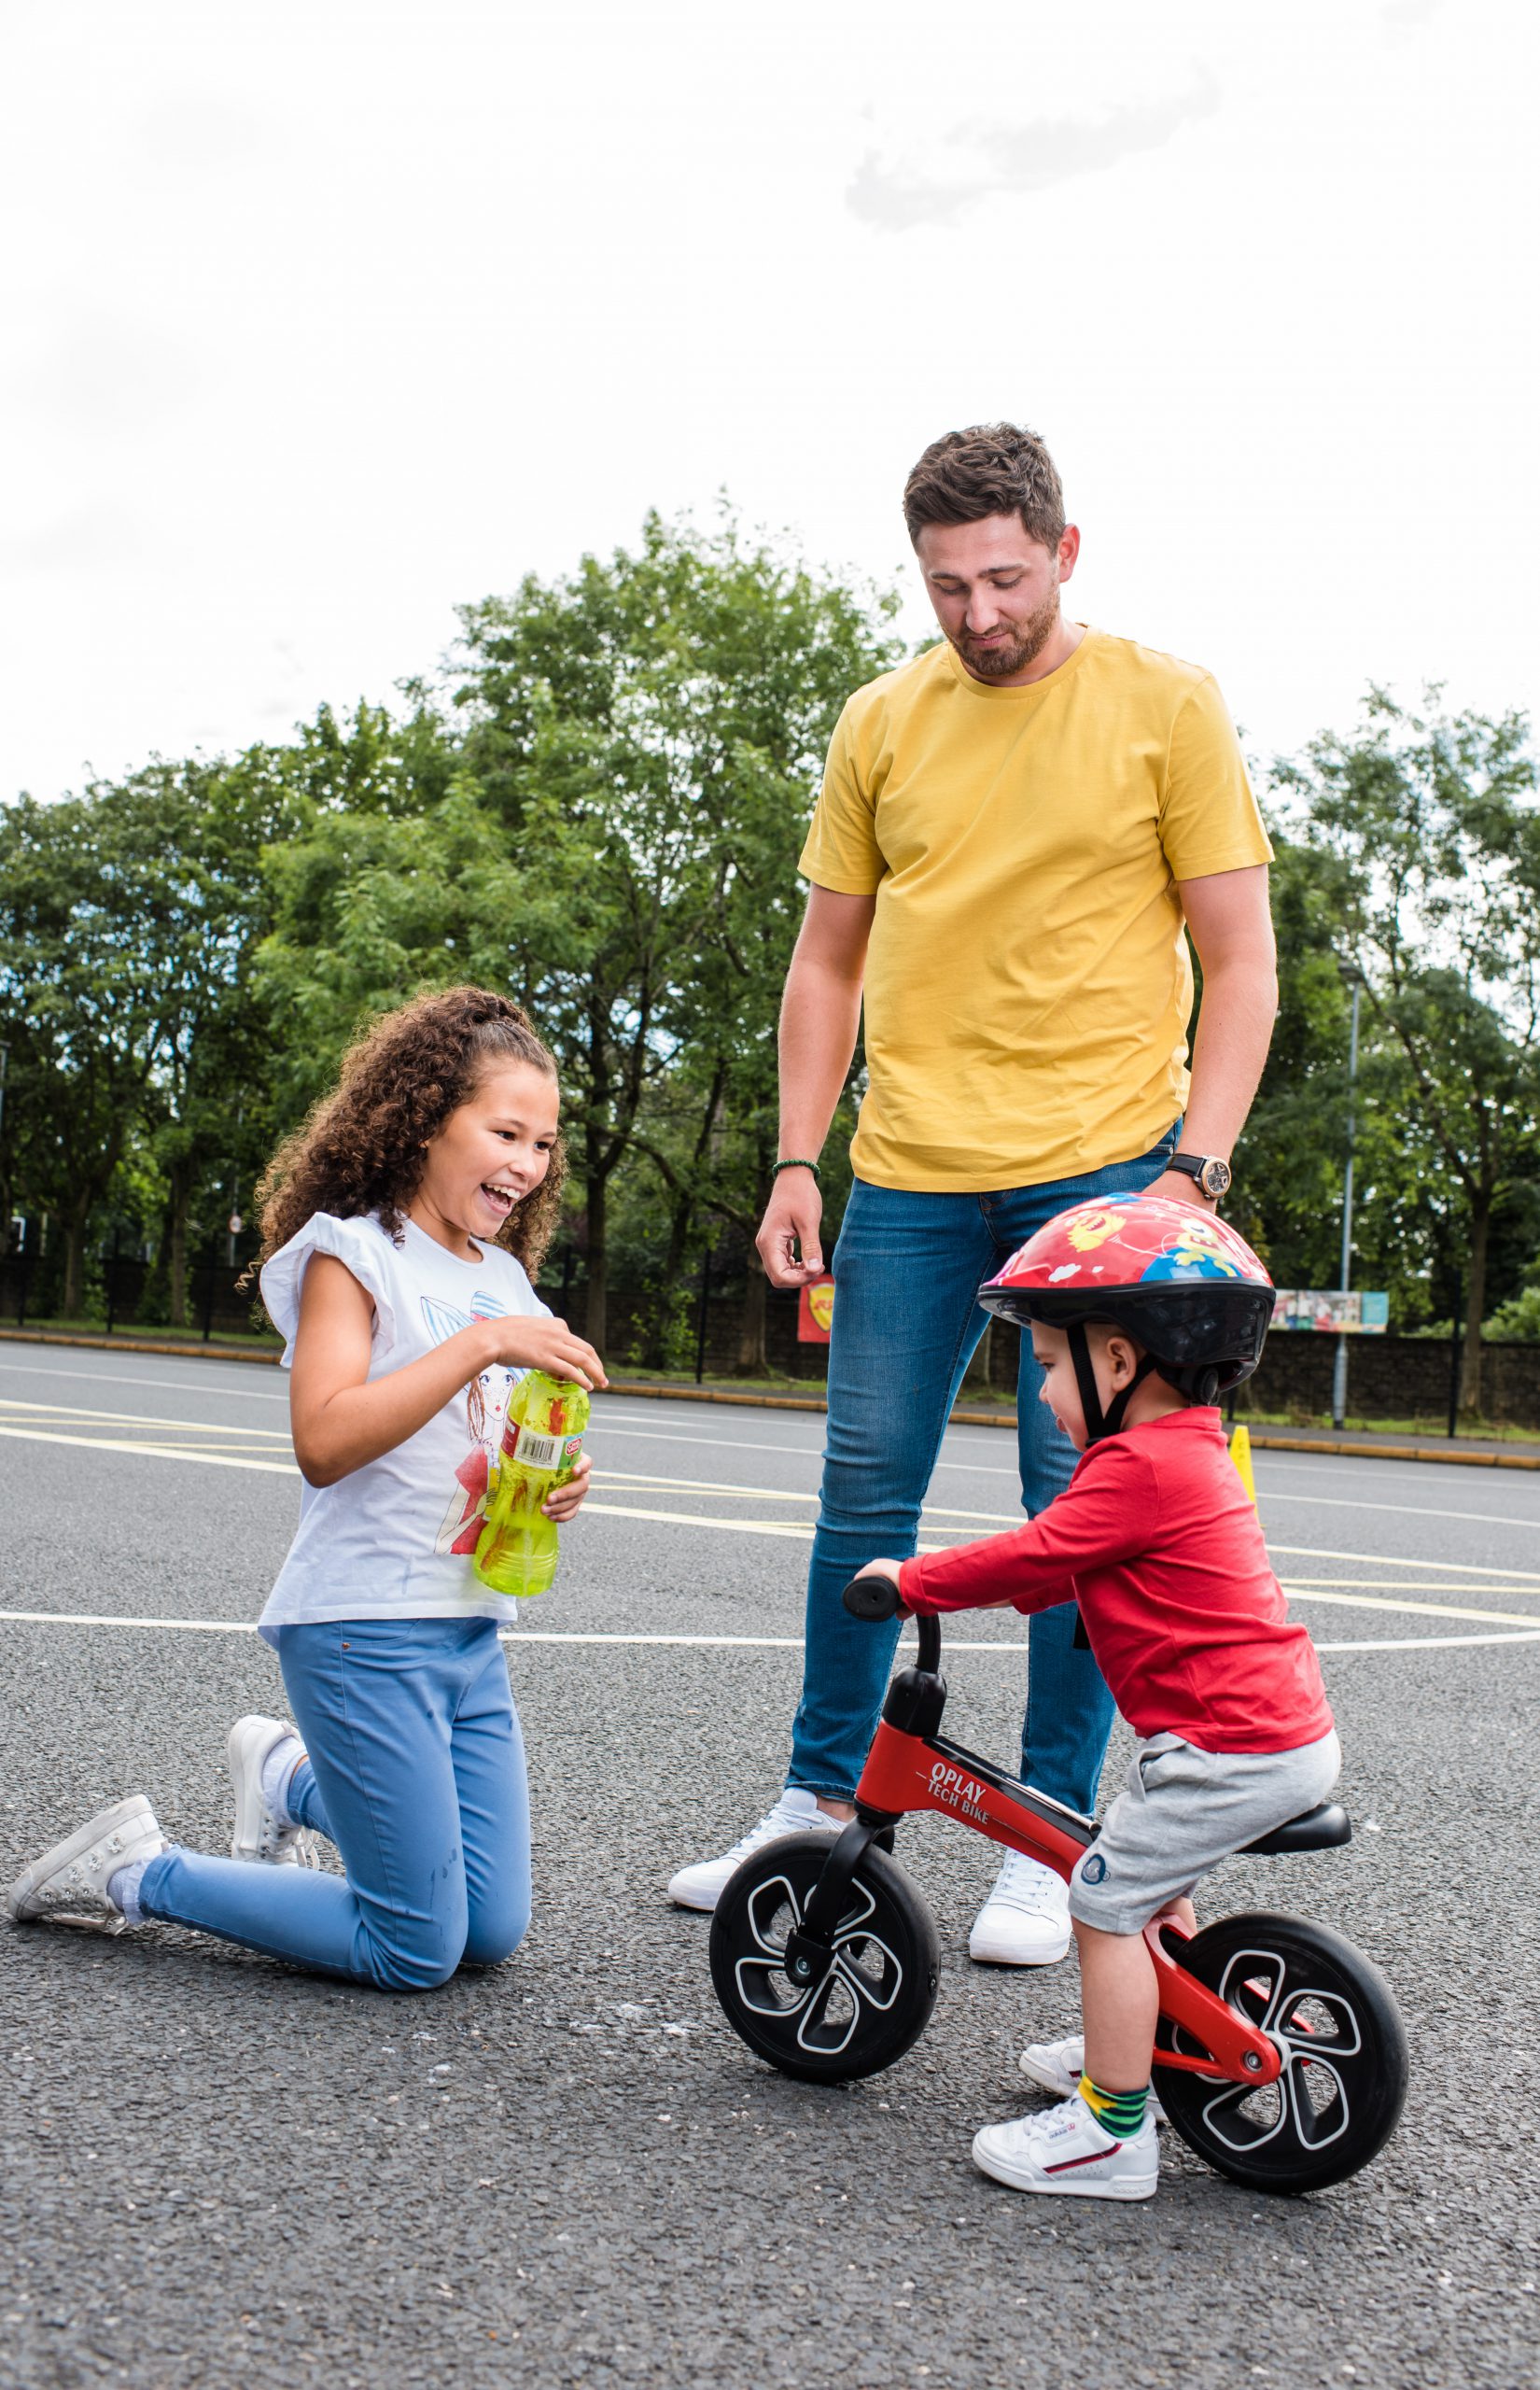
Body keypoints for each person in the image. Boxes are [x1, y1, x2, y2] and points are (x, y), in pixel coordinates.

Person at [667, 422, 1281, 1965]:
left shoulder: (1166, 705)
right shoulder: (882, 721)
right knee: (860, 1496)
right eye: (947, 586)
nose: (979, 613)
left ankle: (1058, 1834)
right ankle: (816, 1800)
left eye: (1004, 579)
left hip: (1104, 1177)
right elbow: (827, 960)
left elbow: (1241, 962)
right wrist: (803, 1155)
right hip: (913, 1174)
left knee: (1083, 1512)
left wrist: (1192, 1175)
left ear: (1064, 554)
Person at [7, 987, 607, 1989]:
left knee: (489, 1931)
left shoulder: (504, 1277)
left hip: (467, 1632)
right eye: (506, 1131)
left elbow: (486, 1432)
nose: (528, 1164)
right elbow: (325, 1440)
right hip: (359, 1626)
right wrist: (482, 1343)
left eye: (544, 1144)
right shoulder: (352, 1252)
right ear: (425, 1120)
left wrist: (552, 1478)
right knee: (415, 1946)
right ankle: (139, 1869)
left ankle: (286, 1774)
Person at [860, 1192, 1338, 2201]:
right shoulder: (1182, 1452)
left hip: (1228, 1746)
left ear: (1117, 1361)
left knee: (1102, 1895)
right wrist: (1025, 1583)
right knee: (1151, 1884)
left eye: (1044, 1366)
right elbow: (1072, 1567)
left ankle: (1113, 2130)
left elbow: (1039, 1547)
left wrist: (912, 1579)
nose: (1040, 1393)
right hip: (1261, 1733)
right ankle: (1151, 2031)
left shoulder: (1133, 1465)